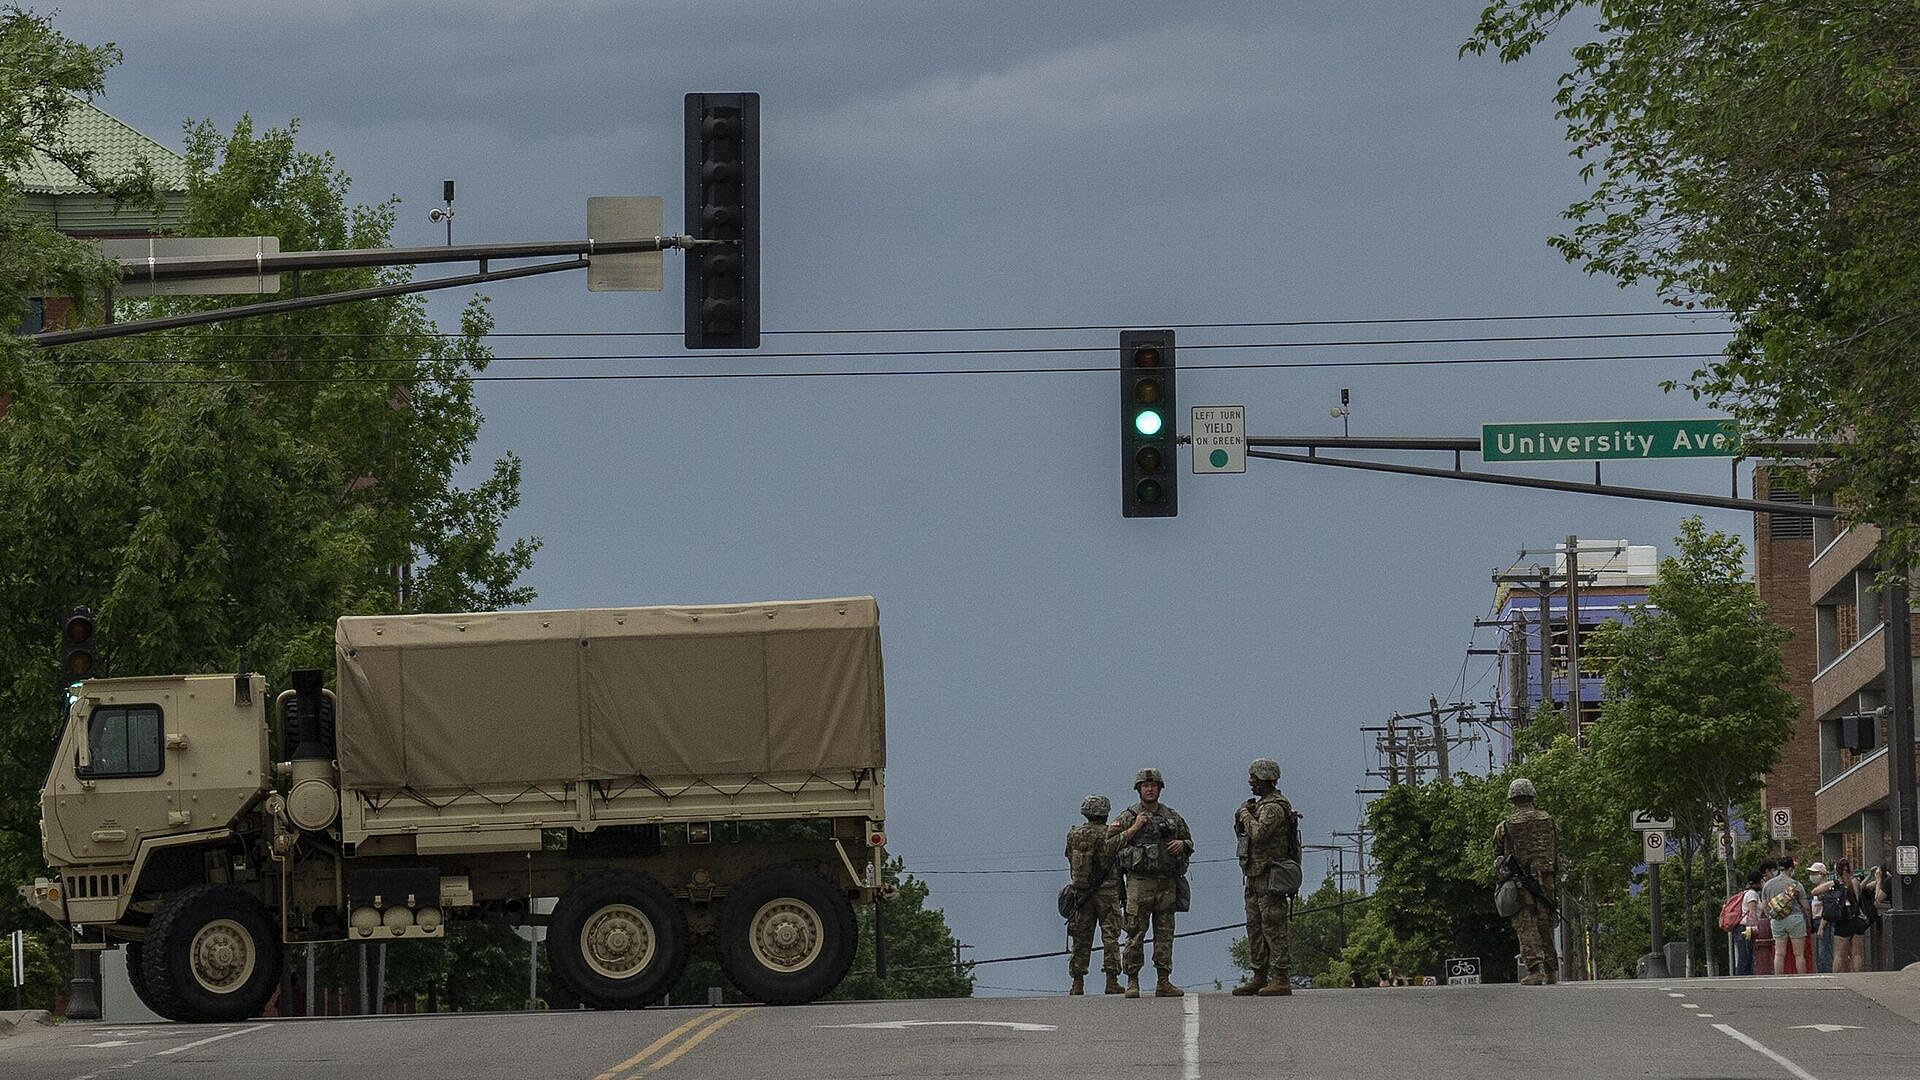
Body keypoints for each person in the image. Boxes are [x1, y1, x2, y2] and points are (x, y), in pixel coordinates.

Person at [1113, 767, 1194, 998]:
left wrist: (1182, 844)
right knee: (1135, 931)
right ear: (1139, 789)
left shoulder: (1172, 816)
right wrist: (1135, 828)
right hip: (1140, 882)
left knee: (1165, 931)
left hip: (1167, 882)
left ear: (1160, 788)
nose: (1150, 789)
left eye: (1153, 785)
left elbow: (1190, 841)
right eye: (1145, 786)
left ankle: (1163, 980)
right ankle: (1132, 980)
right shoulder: (1128, 816)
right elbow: (1109, 844)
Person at [1231, 757, 1298, 998]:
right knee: (1255, 927)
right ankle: (1259, 975)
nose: (1251, 783)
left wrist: (1245, 815)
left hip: (1271, 876)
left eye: (1254, 779)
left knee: (1273, 926)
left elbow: (1259, 834)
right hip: (1255, 874)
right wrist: (1242, 816)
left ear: (1265, 780)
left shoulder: (1273, 807)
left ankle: (1280, 977)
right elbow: (1244, 833)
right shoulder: (1261, 805)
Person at [1493, 777, 1559, 985]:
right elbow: (1557, 848)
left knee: (1526, 924)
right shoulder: (1548, 820)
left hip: (1521, 883)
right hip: (1547, 880)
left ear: (1513, 799)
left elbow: (1497, 856)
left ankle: (1534, 969)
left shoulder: (1506, 826)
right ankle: (1551, 971)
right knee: (1546, 921)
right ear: (1532, 795)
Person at [1062, 794, 1126, 995]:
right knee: (1111, 936)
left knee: (1081, 937)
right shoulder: (1110, 834)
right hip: (1107, 892)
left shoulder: (1074, 834)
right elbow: (1119, 859)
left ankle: (1077, 982)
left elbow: (1069, 857)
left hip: (1082, 893)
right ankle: (1111, 980)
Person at [1761, 856, 1813, 974]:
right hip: (1795, 919)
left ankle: (1779, 979)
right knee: (1799, 954)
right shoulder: (1796, 884)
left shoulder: (1768, 885)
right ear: (1790, 869)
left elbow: (1764, 905)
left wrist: (1770, 916)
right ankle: (1802, 979)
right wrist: (1808, 922)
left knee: (1779, 954)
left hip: (1777, 920)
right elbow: (1805, 906)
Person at [1815, 858, 1867, 973]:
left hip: (1843, 921)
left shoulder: (1835, 883)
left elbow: (1815, 891)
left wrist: (1830, 887)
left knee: (1838, 954)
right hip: (1857, 919)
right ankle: (1857, 977)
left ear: (1837, 871)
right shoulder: (1855, 882)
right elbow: (1858, 900)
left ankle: (1836, 978)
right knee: (1857, 954)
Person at [1734, 866, 1764, 976]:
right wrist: (1754, 927)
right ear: (1758, 882)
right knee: (1745, 957)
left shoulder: (1747, 892)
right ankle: (1742, 979)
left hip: (1741, 928)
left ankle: (1744, 978)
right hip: (1746, 929)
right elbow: (1752, 913)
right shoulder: (1752, 894)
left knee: (1745, 956)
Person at [1808, 861, 1834, 973]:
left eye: (1815, 873)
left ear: (1822, 874)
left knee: (1824, 952)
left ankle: (1825, 973)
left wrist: (1821, 926)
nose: (1812, 876)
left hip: (1824, 922)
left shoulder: (1826, 889)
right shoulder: (1817, 889)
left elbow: (1827, 909)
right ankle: (1821, 972)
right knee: (1820, 952)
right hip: (1817, 921)